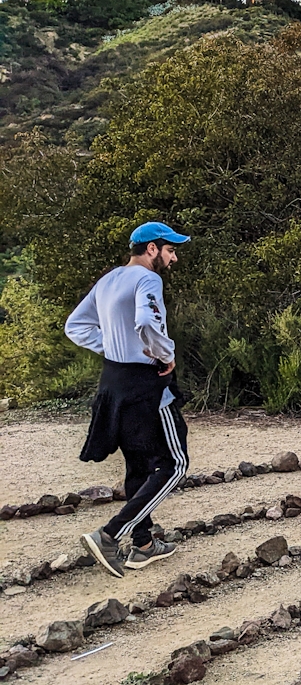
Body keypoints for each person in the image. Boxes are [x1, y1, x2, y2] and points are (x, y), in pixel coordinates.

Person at [65, 222, 191, 577]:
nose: (174, 257)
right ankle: (109, 535)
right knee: (174, 464)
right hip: (146, 384)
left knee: (138, 465)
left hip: (114, 382)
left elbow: (75, 325)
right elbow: (146, 322)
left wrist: (114, 348)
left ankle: (144, 544)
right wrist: (164, 354)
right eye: (170, 250)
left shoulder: (108, 280)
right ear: (152, 249)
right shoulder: (148, 280)